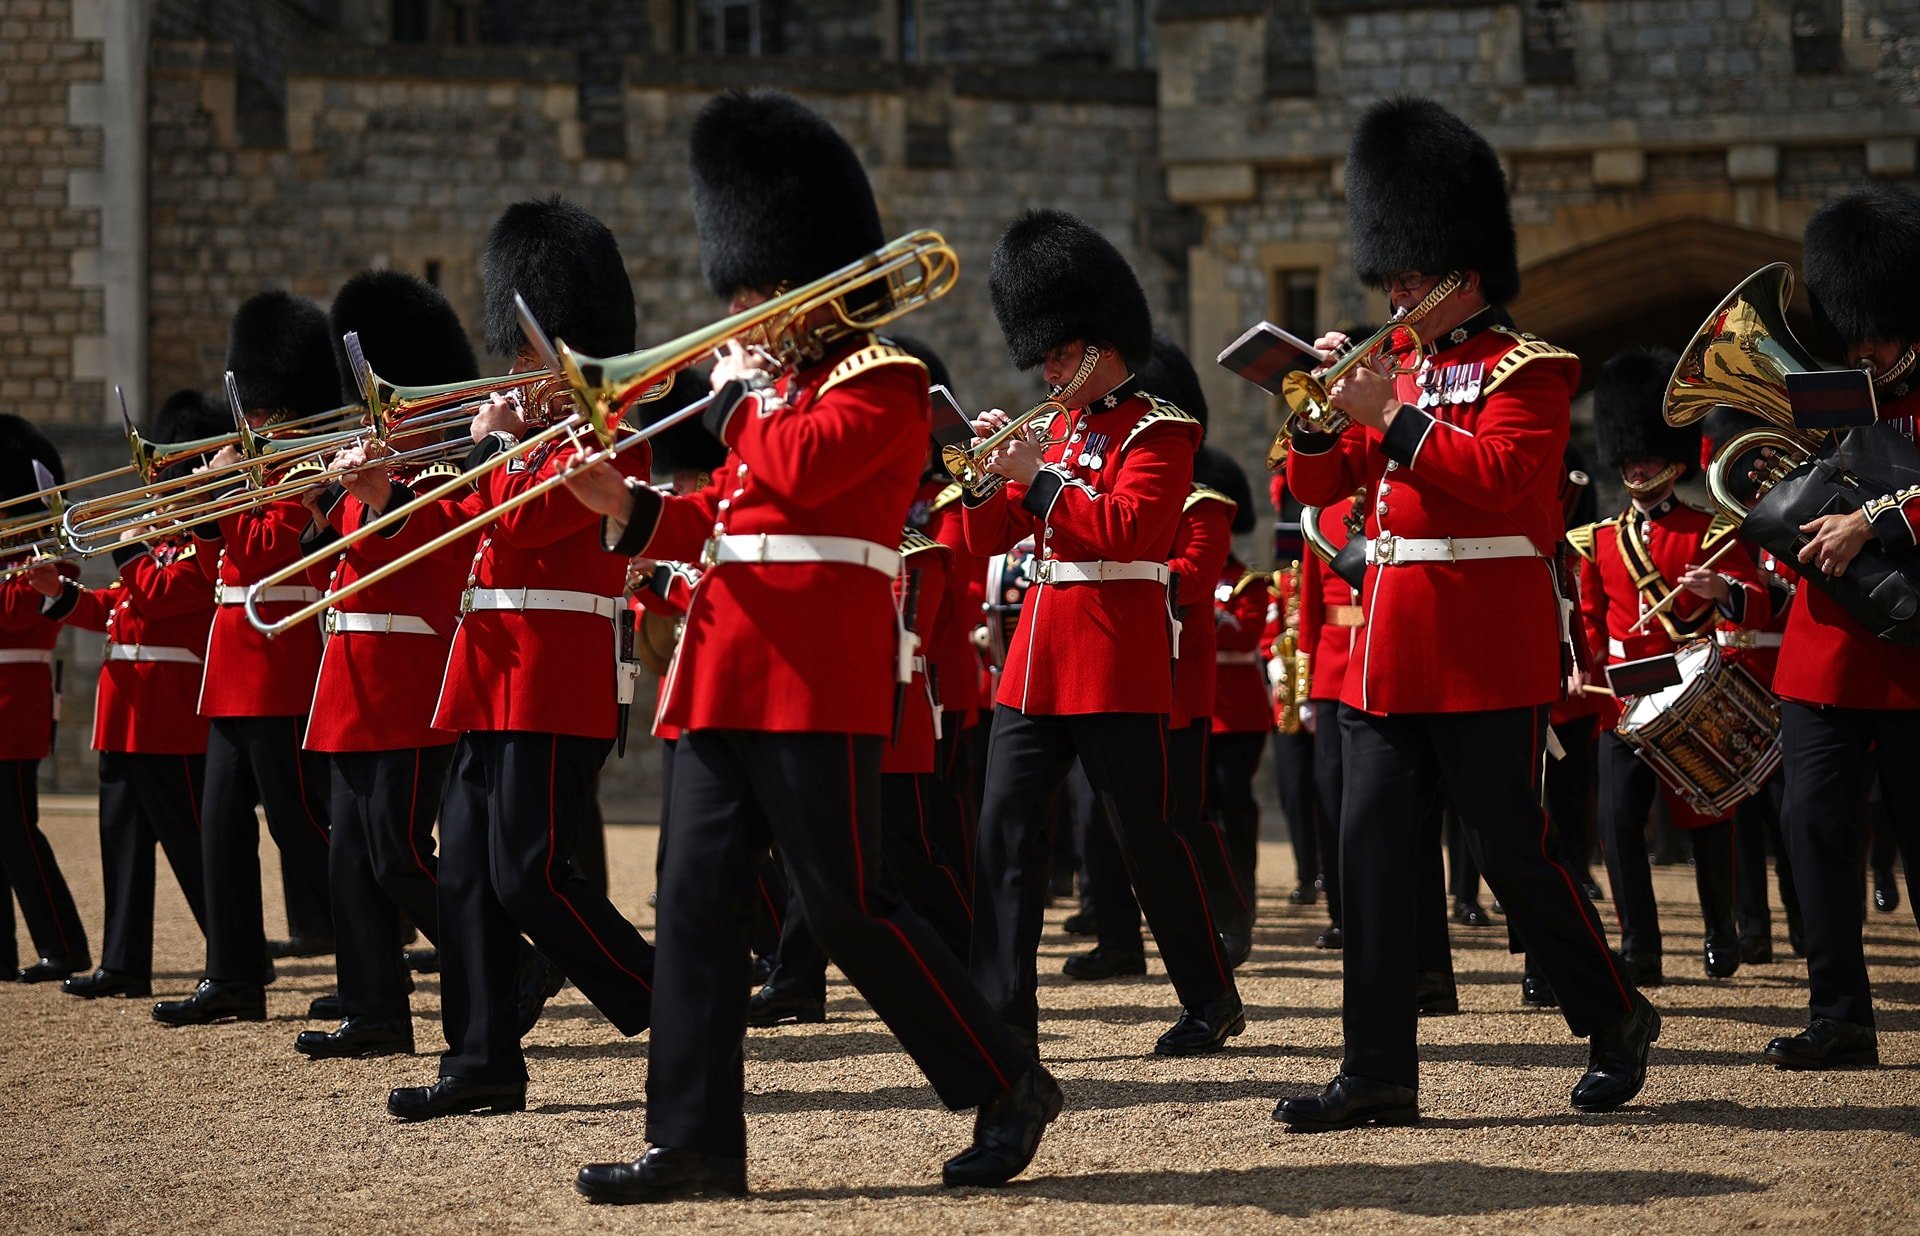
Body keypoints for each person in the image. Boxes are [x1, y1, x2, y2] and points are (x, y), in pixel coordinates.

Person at [563, 90, 1054, 1199]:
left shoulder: (883, 381)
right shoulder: (771, 392)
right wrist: (625, 504)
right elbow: (728, 517)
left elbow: (808, 470)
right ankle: (693, 1140)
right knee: (691, 904)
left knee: (847, 904)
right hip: (719, 670)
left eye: (749, 294)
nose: (733, 315)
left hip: (812, 676)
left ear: (805, 284)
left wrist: (732, 402)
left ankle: (1004, 1077)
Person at [1273, 97, 1654, 1132]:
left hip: (1485, 649)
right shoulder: (1395, 371)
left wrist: (1390, 417)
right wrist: (1318, 411)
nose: (1393, 291)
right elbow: (1312, 492)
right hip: (1390, 653)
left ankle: (1613, 1009)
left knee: (1511, 852)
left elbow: (1503, 482)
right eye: (1389, 273)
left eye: (1409, 275)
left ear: (1464, 274)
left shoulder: (1532, 371)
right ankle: (1379, 1073)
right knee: (1371, 857)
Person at [385, 196, 658, 1120]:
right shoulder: (532, 437)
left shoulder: (614, 432)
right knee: (463, 871)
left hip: (554, 670)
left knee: (528, 872)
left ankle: (666, 993)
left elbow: (541, 517)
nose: (510, 370)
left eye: (526, 350)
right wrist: (415, 482)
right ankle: (482, 1063)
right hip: (489, 670)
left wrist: (498, 449)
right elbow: (475, 528)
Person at [962, 207, 1242, 1057]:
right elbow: (985, 540)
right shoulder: (1054, 429)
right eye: (1039, 354)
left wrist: (1038, 480)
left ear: (1100, 344)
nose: (1044, 371)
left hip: (1113, 658)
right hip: (1035, 662)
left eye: (1056, 353)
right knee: (1003, 835)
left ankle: (1209, 996)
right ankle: (1004, 1018)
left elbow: (1128, 532)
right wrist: (983, 483)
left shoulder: (1161, 430)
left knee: (1146, 839)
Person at [291, 269, 480, 1060]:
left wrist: (368, 497)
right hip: (350, 678)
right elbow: (324, 564)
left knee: (400, 855)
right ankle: (376, 1011)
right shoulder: (374, 472)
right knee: (351, 860)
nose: (378, 412)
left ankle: (502, 962)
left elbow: (424, 547)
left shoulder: (439, 468)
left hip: (406, 676)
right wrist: (323, 504)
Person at [1761, 183, 1920, 1069]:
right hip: (1823, 658)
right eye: (1856, 331)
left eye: (1881, 333)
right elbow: (1787, 503)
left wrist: (1878, 519)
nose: (1866, 348)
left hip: (1911, 657)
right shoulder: (1827, 398)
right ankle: (1840, 1015)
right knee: (1814, 833)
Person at [153, 292, 337, 1027]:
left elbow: (267, 554)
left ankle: (368, 953)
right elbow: (215, 565)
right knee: (220, 828)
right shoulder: (258, 468)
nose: (251, 423)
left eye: (261, 411)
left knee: (300, 826)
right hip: (230, 669)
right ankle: (231, 975)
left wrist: (222, 490)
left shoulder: (305, 467)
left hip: (277, 662)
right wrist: (205, 507)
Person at [1573, 346, 1767, 985]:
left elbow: (1756, 607)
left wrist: (1722, 594)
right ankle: (1641, 947)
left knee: (1706, 820)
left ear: (1672, 462)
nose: (1637, 468)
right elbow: (1593, 624)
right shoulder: (1599, 539)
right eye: (1630, 459)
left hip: (1690, 688)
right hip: (1625, 698)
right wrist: (1584, 667)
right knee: (1618, 823)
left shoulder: (1712, 533)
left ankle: (1720, 930)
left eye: (1648, 458)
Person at [31, 392, 224, 998]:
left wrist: (130, 548)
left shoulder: (204, 549)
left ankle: (232, 956)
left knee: (193, 848)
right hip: (124, 711)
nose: (157, 489)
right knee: (123, 843)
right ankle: (123, 963)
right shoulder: (161, 546)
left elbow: (164, 597)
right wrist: (58, 596)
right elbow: (119, 608)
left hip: (168, 714)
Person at [0, 415, 90, 983]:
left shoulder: (45, 562)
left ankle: (63, 944)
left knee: (18, 830)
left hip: (16, 706)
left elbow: (15, 617)